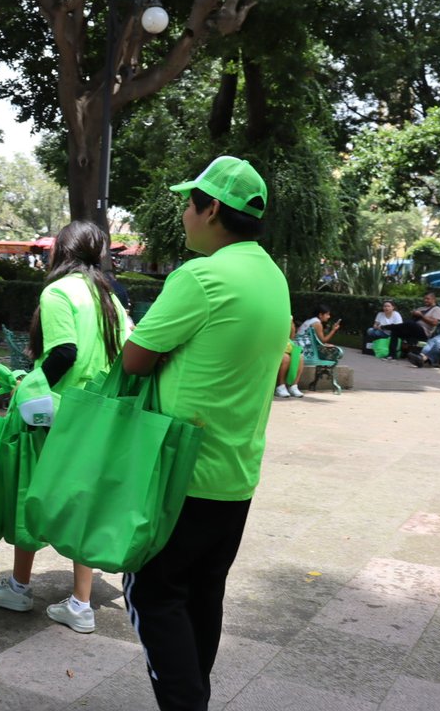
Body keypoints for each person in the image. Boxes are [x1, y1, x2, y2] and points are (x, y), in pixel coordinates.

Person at [120, 156, 290, 710]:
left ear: (212, 208)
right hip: (236, 474)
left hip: (181, 476)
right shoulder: (272, 276)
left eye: (189, 203)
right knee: (201, 597)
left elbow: (135, 358)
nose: (184, 214)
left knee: (152, 593)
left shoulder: (201, 277)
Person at [0, 220, 131, 635]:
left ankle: (19, 587)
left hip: (54, 413)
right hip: (96, 414)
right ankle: (81, 603)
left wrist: (30, 384)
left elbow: (64, 351)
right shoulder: (109, 298)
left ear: (60, 250)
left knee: (31, 492)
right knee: (81, 501)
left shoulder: (58, 291)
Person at [276, 319, 304, 398]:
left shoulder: (288, 317)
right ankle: (280, 386)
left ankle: (294, 386)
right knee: (286, 358)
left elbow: (291, 338)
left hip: (286, 347)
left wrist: (292, 325)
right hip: (275, 348)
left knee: (300, 357)